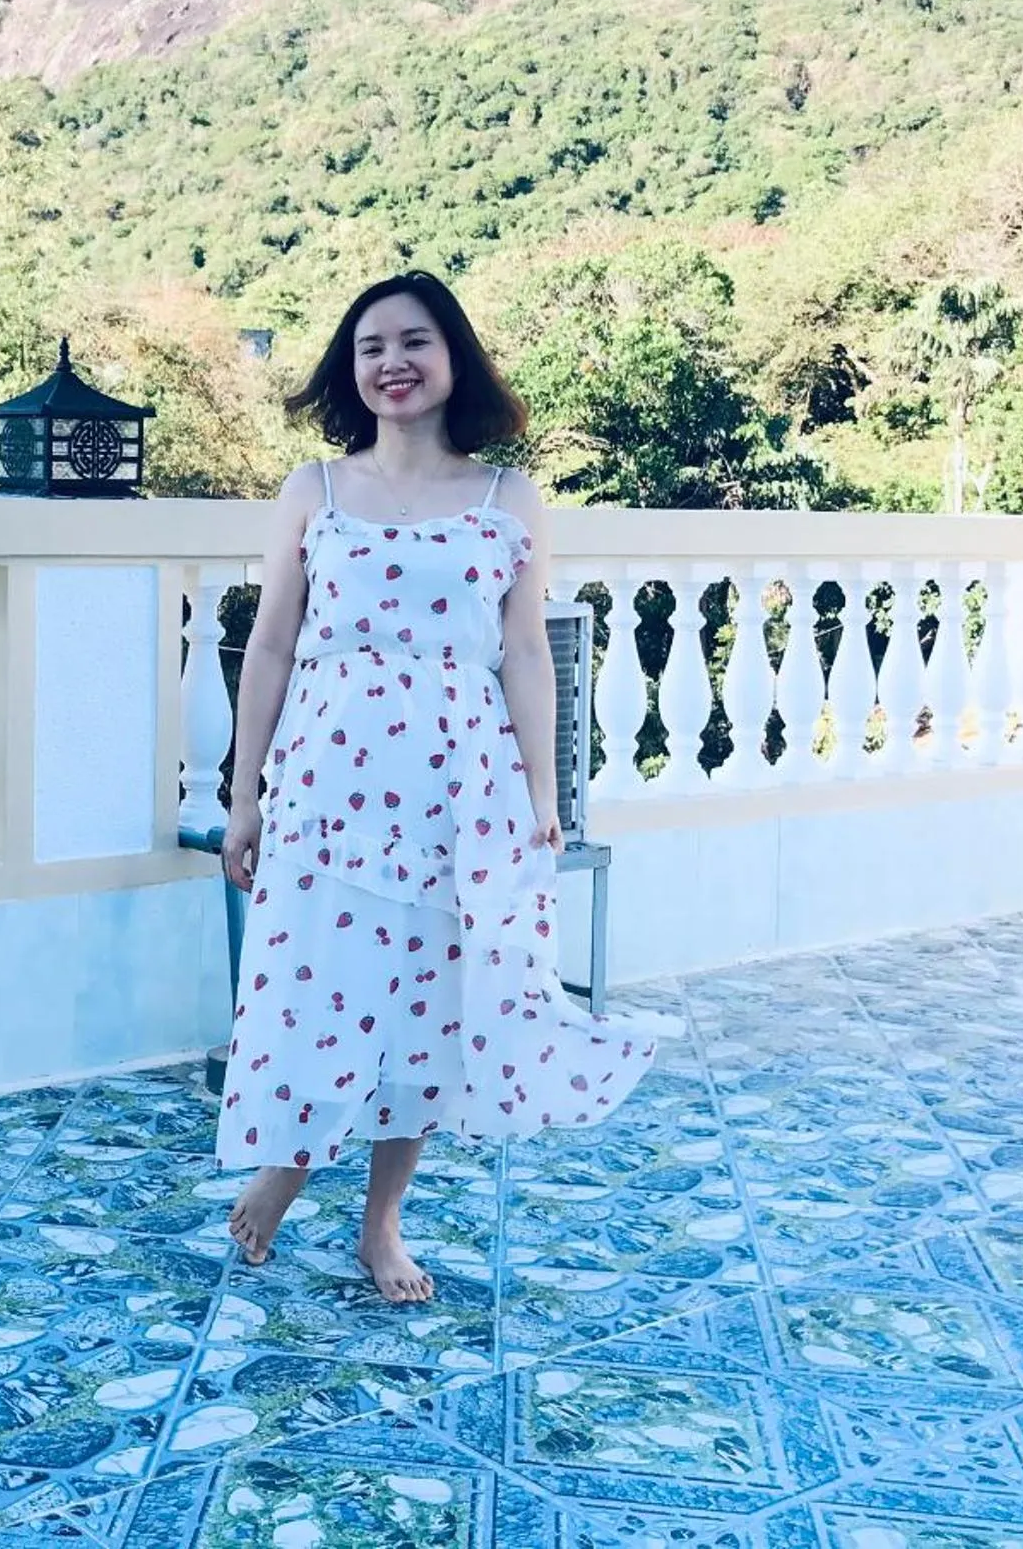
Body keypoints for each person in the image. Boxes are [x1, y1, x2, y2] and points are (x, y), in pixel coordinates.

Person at [216, 270, 678, 1302]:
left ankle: (381, 1227)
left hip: (458, 785)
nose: (393, 362)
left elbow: (524, 652)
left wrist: (543, 793)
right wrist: (244, 795)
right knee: (319, 988)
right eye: (371, 345)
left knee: (428, 1003)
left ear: (454, 357)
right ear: (350, 366)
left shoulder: (508, 497)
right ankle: (284, 1172)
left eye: (415, 342)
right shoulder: (315, 491)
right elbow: (273, 648)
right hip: (330, 779)